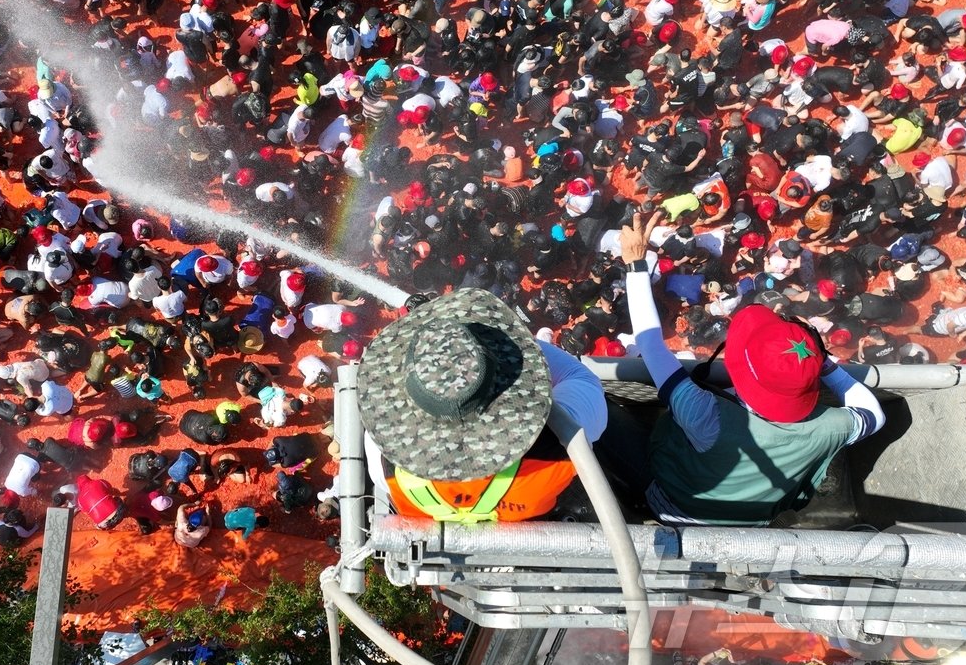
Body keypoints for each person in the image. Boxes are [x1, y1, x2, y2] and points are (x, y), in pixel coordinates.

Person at [604, 213, 886, 526]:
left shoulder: (706, 414)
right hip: (748, 525)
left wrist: (635, 263)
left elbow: (652, 344)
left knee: (601, 409)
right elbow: (874, 414)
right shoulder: (830, 426)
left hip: (672, 503)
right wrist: (825, 364)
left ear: (739, 363)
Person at [358, 288, 606, 523]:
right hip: (531, 525)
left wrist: (426, 350)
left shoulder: (385, 462)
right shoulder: (562, 438)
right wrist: (505, 343)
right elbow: (581, 378)